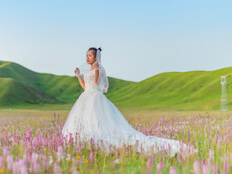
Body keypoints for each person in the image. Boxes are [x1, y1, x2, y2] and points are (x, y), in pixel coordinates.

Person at [62, 47, 197, 157]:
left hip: (95, 98)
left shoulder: (98, 69)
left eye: (90, 55)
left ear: (96, 57)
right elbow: (86, 87)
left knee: (100, 123)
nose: (87, 58)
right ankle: (86, 143)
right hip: (86, 97)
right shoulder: (89, 70)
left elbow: (96, 84)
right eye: (86, 55)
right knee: (85, 122)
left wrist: (97, 66)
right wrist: (79, 76)